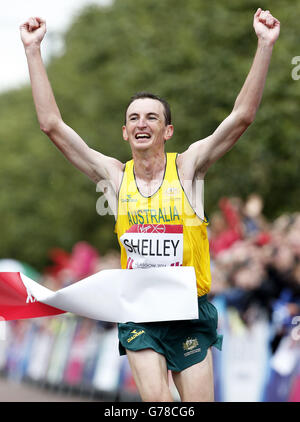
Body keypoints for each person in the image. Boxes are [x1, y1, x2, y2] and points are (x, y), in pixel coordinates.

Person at [20, 8, 280, 402]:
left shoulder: (189, 167)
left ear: (167, 130)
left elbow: (241, 117)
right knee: (158, 401)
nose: (142, 123)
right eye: (134, 118)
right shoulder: (114, 177)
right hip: (140, 312)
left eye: (152, 118)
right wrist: (33, 51)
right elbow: (52, 126)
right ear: (125, 132)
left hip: (189, 311)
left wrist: (264, 45)